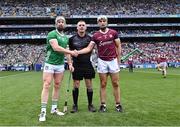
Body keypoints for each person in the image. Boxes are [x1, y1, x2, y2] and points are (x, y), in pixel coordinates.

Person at [76, 15, 123, 112]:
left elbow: (118, 46)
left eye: (104, 20)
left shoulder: (113, 33)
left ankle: (118, 104)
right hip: (102, 61)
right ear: (98, 23)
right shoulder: (95, 35)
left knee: (116, 83)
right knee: (103, 84)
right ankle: (103, 105)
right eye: (100, 21)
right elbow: (89, 48)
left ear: (107, 22)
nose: (102, 22)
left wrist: (118, 60)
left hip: (113, 60)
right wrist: (78, 52)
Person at [39, 16, 77, 122]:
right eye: (58, 22)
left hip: (60, 65)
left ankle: (54, 109)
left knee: (57, 85)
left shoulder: (66, 38)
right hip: (50, 63)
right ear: (56, 24)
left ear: (65, 24)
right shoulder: (52, 34)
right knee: (46, 85)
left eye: (62, 22)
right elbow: (56, 48)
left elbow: (66, 51)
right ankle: (43, 111)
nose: (60, 23)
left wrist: (70, 63)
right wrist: (71, 52)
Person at [69, 20, 96, 113]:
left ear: (86, 27)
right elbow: (69, 53)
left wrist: (78, 52)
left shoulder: (90, 38)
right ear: (77, 27)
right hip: (76, 64)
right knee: (76, 85)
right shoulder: (72, 39)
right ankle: (75, 105)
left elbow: (89, 50)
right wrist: (70, 63)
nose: (81, 26)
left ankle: (90, 105)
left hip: (87, 64)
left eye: (83, 25)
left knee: (89, 85)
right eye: (79, 25)